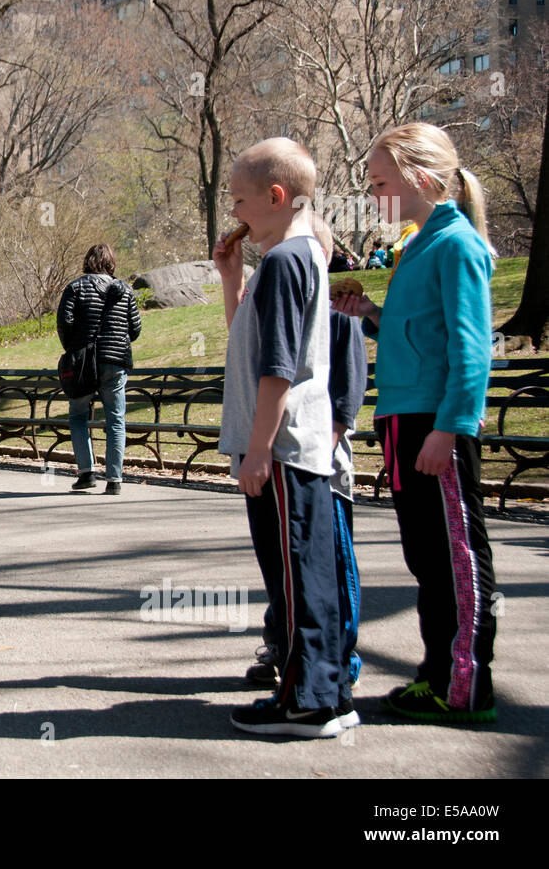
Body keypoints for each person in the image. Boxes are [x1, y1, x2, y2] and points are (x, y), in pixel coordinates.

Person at [333, 122, 497, 724]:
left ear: (421, 179)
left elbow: (471, 349)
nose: (372, 194)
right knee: (426, 556)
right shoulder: (417, 246)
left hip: (434, 423)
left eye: (380, 182)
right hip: (403, 419)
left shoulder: (457, 245)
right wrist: (370, 313)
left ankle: (465, 686)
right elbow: (419, 334)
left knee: (456, 555)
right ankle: (436, 674)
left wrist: (449, 428)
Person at [213, 137, 349, 738]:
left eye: (240, 199)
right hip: (284, 446)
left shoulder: (287, 261)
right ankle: (327, 693)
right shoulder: (288, 259)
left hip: (284, 449)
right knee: (300, 573)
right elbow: (249, 341)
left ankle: (306, 701)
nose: (233, 211)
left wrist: (261, 447)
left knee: (295, 577)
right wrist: (230, 279)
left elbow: (278, 368)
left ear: (275, 196)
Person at [246, 216, 367, 696]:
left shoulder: (339, 316)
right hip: (290, 461)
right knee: (286, 568)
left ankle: (340, 654)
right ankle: (281, 643)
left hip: (323, 468)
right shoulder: (280, 297)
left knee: (331, 568)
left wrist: (325, 451)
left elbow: (346, 399)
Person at [57, 244, 141, 495]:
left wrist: (73, 349)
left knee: (78, 415)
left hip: (84, 362)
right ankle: (114, 480)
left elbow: (65, 323)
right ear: (111, 263)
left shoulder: (75, 288)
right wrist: (117, 341)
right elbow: (135, 329)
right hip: (115, 362)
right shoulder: (125, 290)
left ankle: (87, 473)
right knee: (116, 418)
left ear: (87, 262)